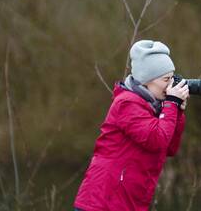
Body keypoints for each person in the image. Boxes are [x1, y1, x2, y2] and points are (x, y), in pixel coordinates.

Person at [74, 40, 188, 211]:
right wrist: (171, 104)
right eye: (166, 79)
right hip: (103, 203)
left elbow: (169, 148)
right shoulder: (127, 103)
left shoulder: (155, 107)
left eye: (172, 78)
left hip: (127, 202)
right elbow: (156, 140)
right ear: (146, 80)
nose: (170, 85)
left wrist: (176, 111)